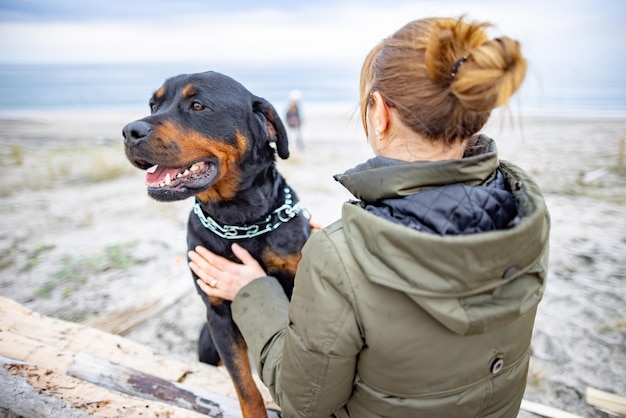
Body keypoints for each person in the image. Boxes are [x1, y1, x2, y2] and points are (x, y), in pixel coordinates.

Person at [189, 16, 550, 418]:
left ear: (379, 114)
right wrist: (350, 258)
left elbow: (304, 400)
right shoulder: (525, 209)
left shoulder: (337, 256)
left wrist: (254, 291)